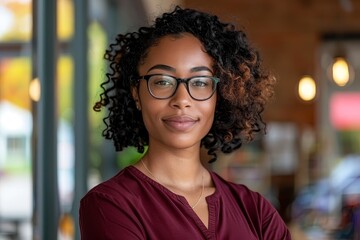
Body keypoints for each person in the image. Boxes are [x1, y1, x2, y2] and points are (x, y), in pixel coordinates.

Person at [79, 5, 291, 240]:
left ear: (220, 95)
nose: (182, 100)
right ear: (137, 94)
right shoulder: (110, 205)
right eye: (162, 81)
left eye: (200, 82)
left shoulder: (256, 211)